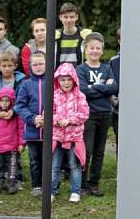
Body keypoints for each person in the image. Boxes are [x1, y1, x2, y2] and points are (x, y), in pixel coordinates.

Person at [76, 32, 117, 197]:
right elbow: (83, 91)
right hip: (88, 115)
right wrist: (102, 87)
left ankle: (94, 183)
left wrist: (95, 87)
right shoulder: (81, 69)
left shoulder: (107, 68)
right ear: (86, 50)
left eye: (97, 48)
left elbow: (114, 88)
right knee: (87, 149)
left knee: (100, 150)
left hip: (105, 113)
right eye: (91, 48)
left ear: (102, 51)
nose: (94, 51)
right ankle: (82, 184)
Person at [51, 63, 89, 203]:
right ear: (57, 80)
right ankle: (52, 191)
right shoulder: (53, 95)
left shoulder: (80, 96)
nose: (66, 83)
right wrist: (57, 120)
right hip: (57, 137)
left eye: (68, 79)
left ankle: (75, 191)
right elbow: (47, 113)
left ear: (74, 79)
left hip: (74, 137)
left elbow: (84, 114)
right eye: (62, 79)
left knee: (75, 165)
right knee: (54, 166)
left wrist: (70, 120)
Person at [15, 51, 46, 197]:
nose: (38, 67)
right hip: (32, 130)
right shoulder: (25, 84)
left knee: (49, 159)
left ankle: (51, 185)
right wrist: (33, 119)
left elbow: (58, 102)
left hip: (49, 130)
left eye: (41, 64)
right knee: (35, 160)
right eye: (35, 64)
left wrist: (48, 117)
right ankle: (36, 185)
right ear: (30, 66)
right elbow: (20, 106)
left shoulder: (53, 82)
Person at [0, 87, 24, 194]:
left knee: (12, 167)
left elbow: (21, 130)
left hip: (12, 147)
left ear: (12, 101)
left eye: (7, 100)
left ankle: (12, 184)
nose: (5, 103)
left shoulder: (16, 116)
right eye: (2, 101)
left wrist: (21, 143)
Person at [55, 2, 92, 68]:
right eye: (65, 17)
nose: (69, 20)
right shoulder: (55, 35)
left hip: (80, 75)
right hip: (60, 76)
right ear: (60, 17)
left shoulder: (86, 35)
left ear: (77, 17)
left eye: (72, 17)